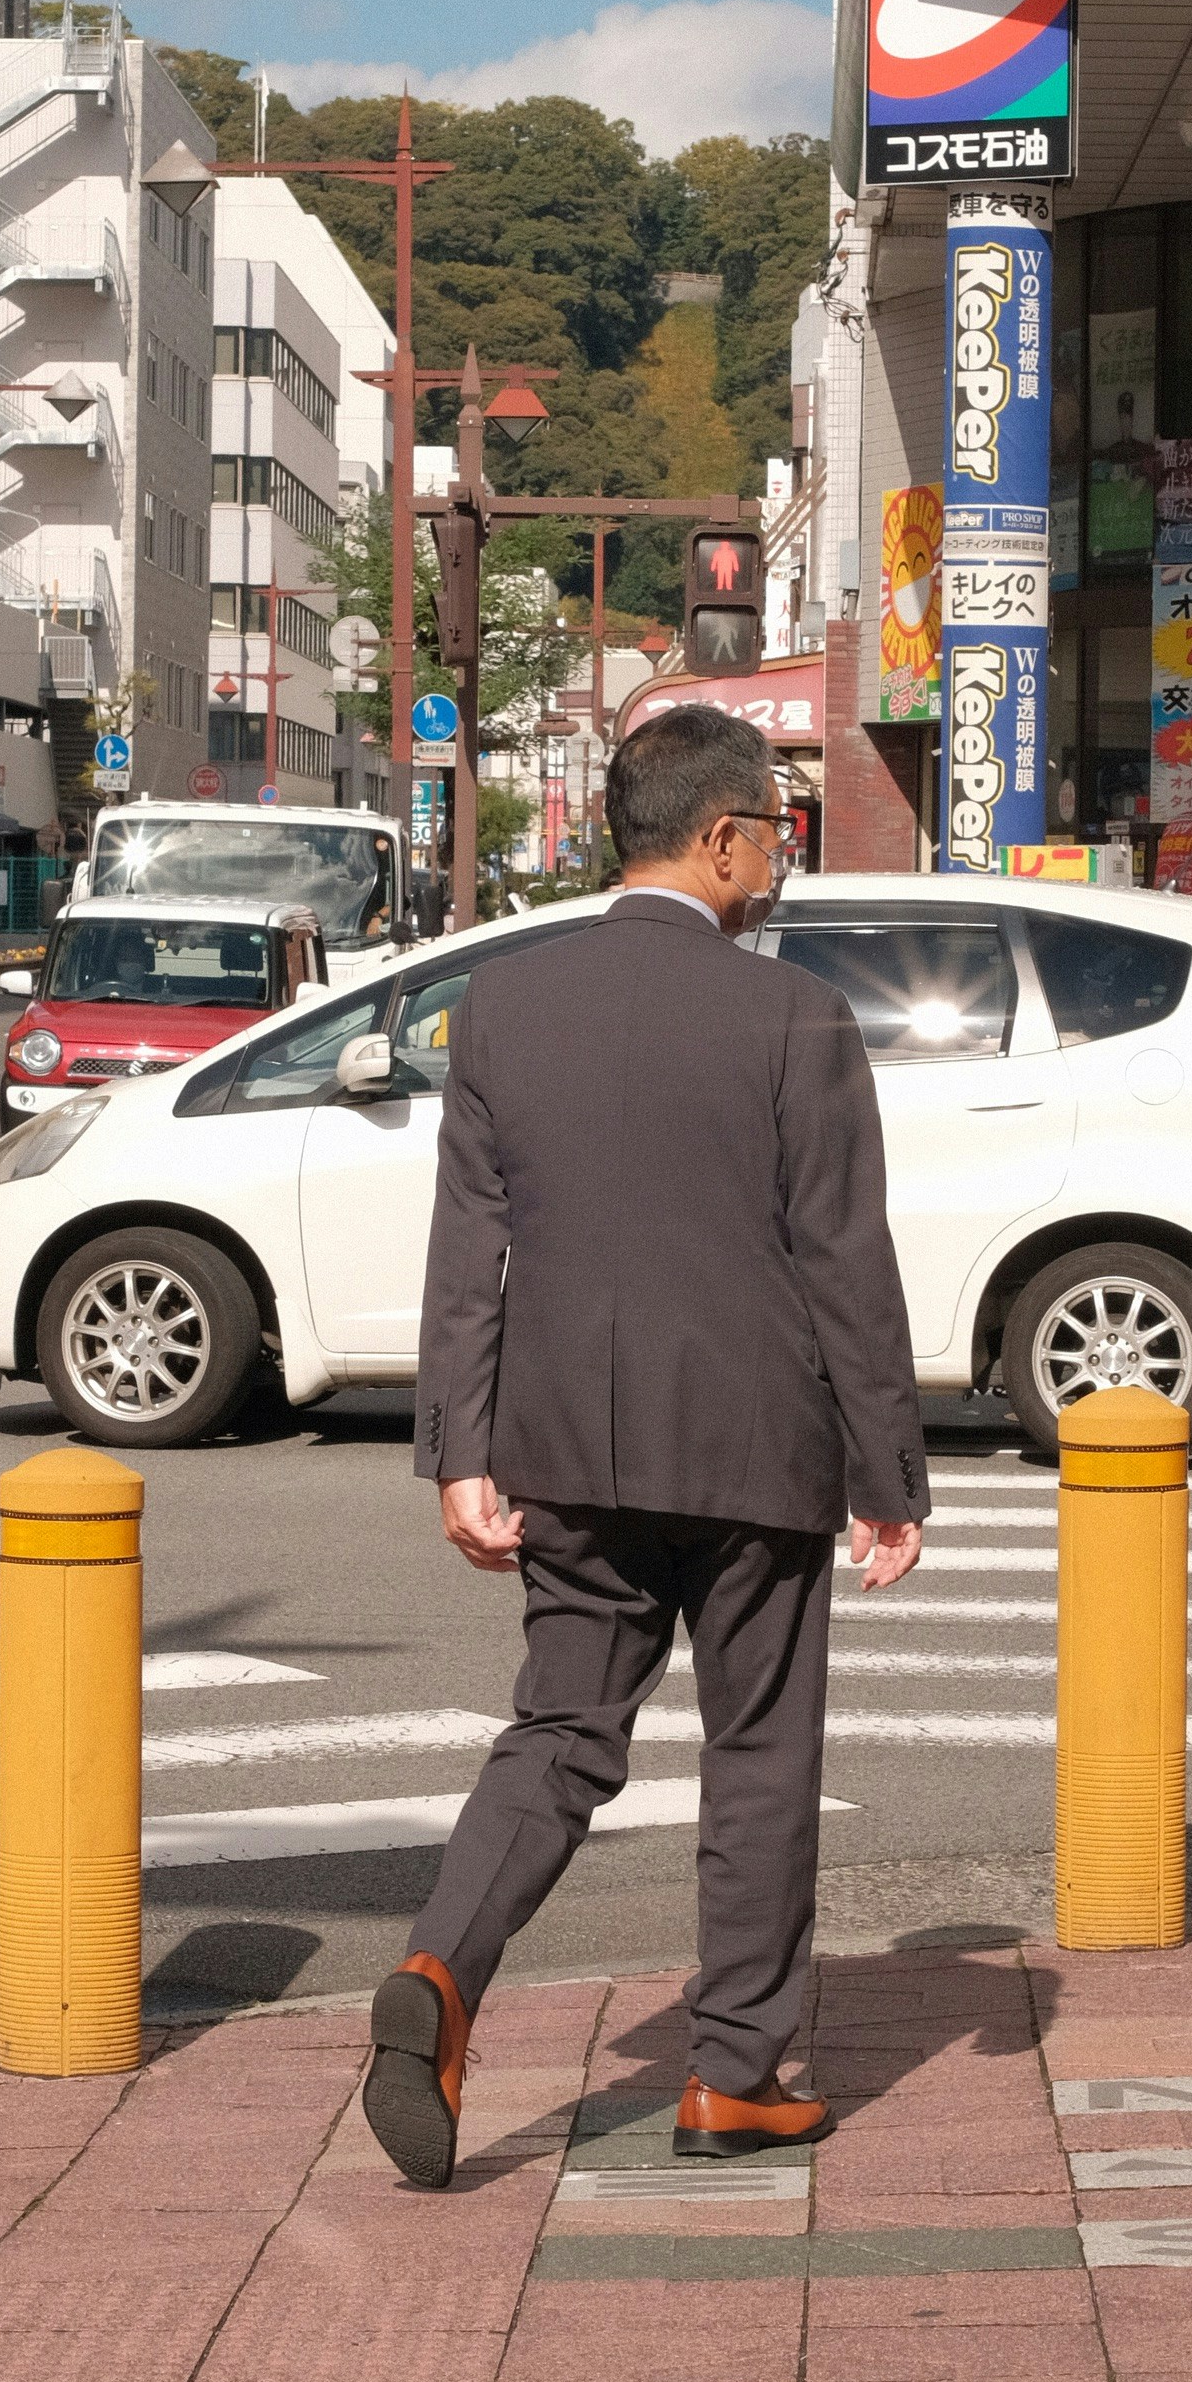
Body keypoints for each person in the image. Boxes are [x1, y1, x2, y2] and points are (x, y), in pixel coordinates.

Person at [362, 702, 928, 2189]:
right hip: (759, 1450)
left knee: (558, 1737)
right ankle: (734, 2079)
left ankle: (438, 1972)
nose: (783, 859)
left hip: (565, 1446)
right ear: (724, 837)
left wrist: (459, 1451)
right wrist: (889, 1479)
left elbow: (465, 1249)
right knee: (757, 1756)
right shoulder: (795, 1020)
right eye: (776, 833)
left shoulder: (506, 1007)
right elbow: (844, 1266)